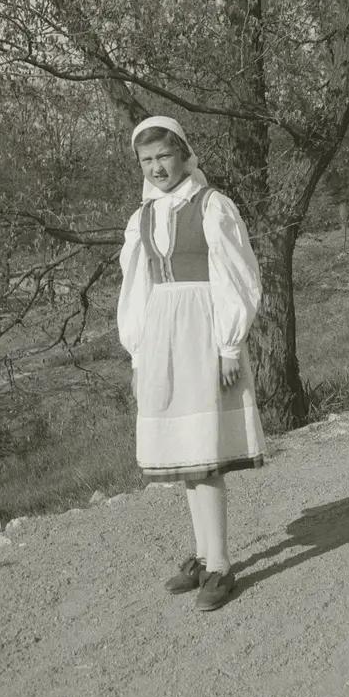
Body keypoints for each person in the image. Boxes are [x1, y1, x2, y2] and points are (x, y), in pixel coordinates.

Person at [118, 115, 265, 612]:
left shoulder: (211, 205)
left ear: (183, 154)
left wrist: (229, 346)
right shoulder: (143, 217)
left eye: (164, 156)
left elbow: (237, 275)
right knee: (185, 452)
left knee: (205, 453)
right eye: (146, 160)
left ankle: (220, 565)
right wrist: (139, 357)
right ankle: (203, 556)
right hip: (163, 338)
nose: (157, 168)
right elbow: (135, 291)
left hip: (203, 331)